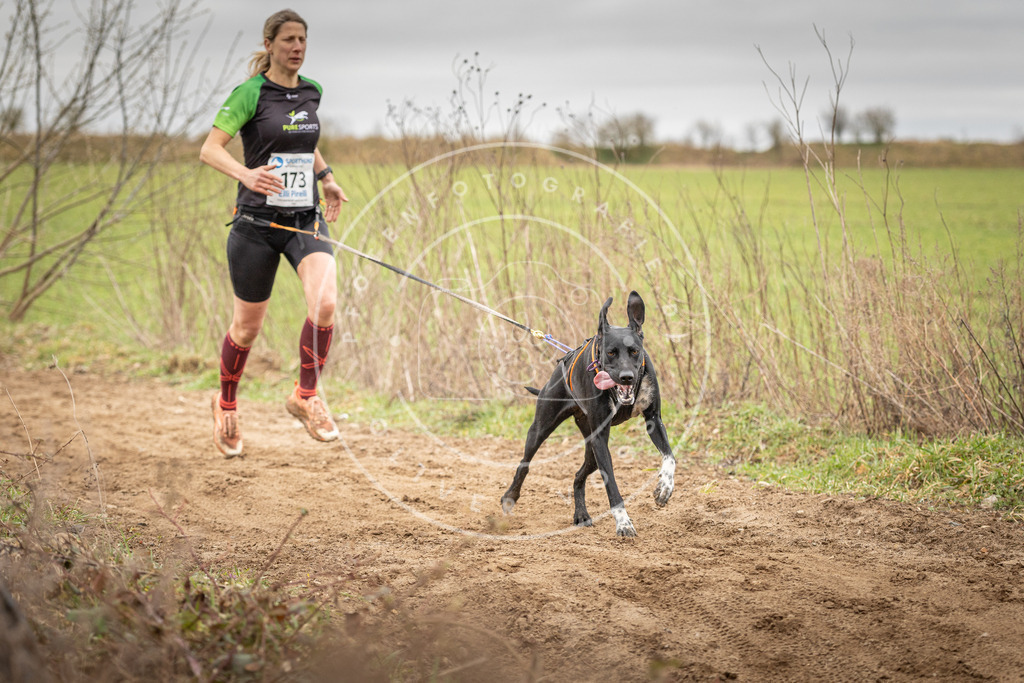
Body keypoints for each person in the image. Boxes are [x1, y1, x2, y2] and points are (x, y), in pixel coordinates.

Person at [199, 9, 347, 457]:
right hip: (256, 225)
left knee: (325, 303)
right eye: (288, 40)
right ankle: (225, 404)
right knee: (247, 328)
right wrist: (245, 175)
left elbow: (303, 141)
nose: (297, 47)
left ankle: (305, 396)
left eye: (302, 39)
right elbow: (209, 150)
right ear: (270, 45)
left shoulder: (312, 91)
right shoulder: (250, 93)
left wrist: (327, 177)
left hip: (304, 218)